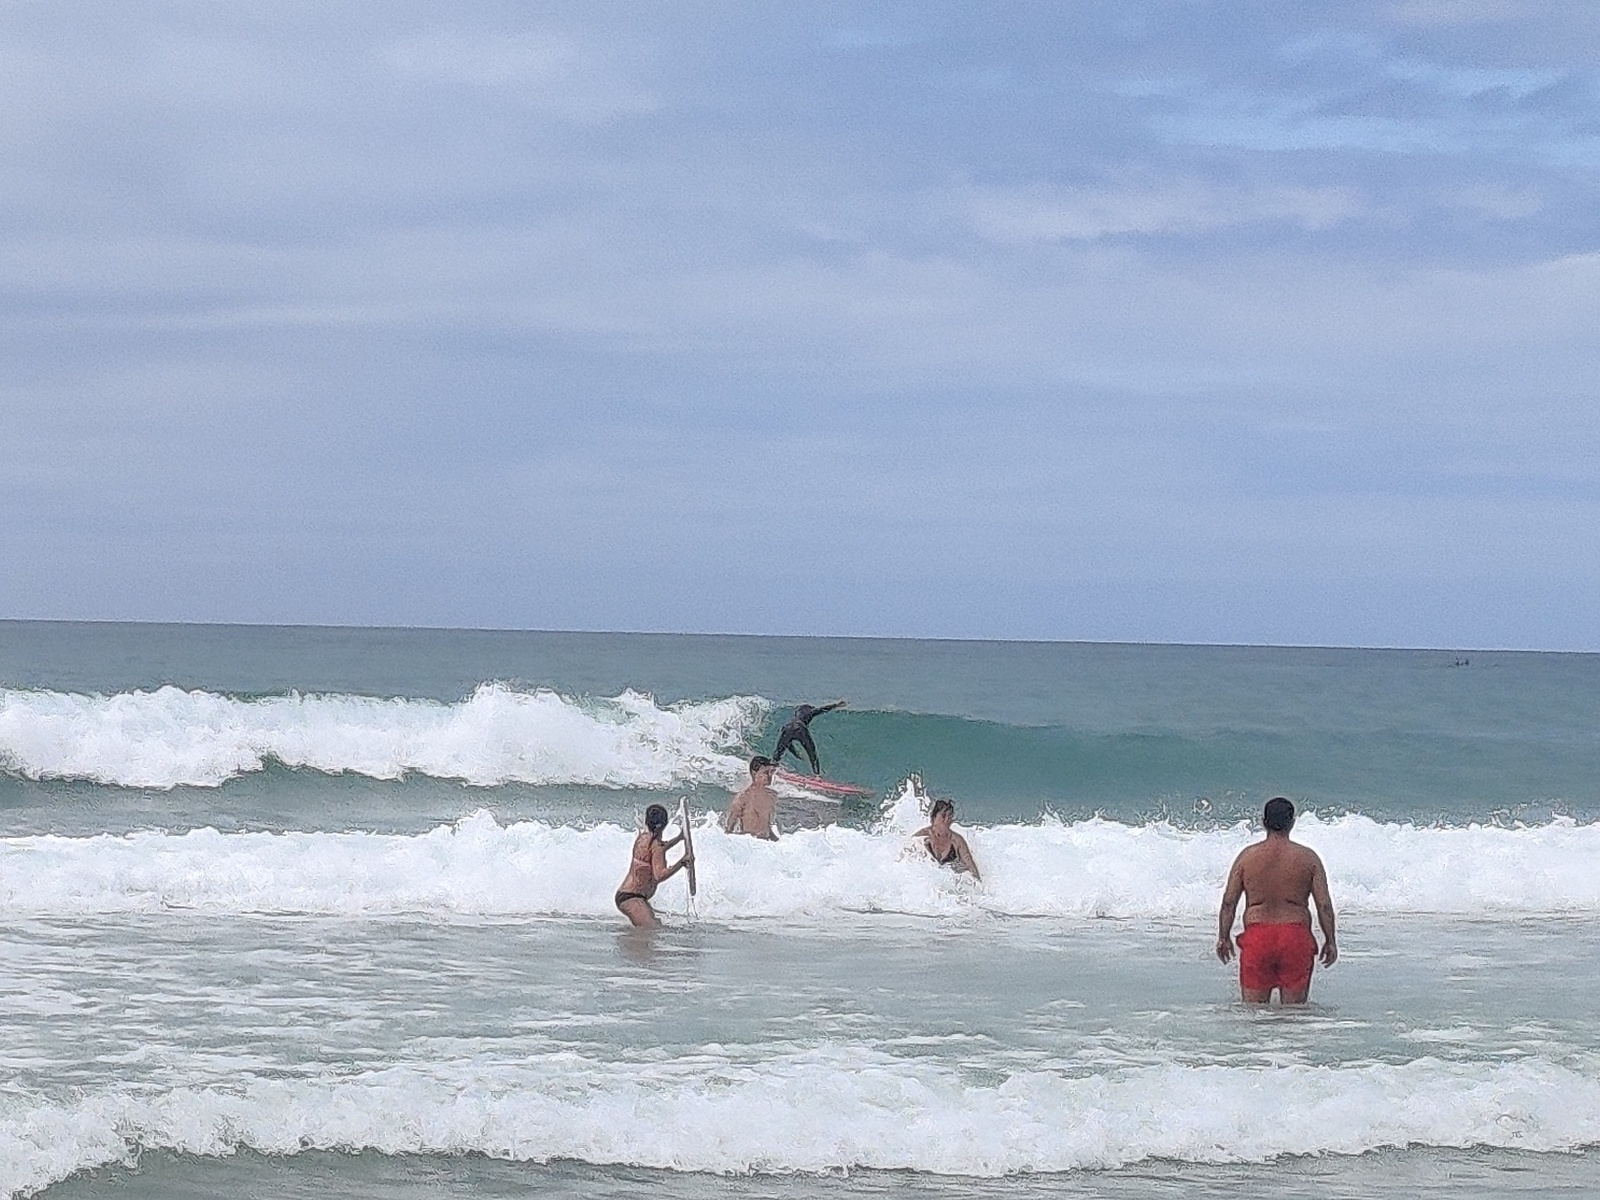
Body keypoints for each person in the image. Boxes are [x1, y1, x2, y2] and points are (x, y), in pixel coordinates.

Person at [1216, 797, 1337, 1004]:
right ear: (1292, 822)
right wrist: (1330, 940)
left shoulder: (1247, 857)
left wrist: (1223, 937)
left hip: (1258, 937)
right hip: (1295, 937)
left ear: (1264, 821)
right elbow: (1324, 905)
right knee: (1294, 1016)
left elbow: (1229, 902)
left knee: (1254, 1014)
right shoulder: (1308, 859)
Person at [615, 803, 694, 927]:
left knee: (651, 929)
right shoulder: (656, 846)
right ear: (664, 824)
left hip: (626, 895)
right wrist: (682, 862)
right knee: (652, 929)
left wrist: (679, 838)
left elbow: (657, 850)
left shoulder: (643, 838)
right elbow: (659, 875)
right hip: (633, 898)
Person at [772, 699, 847, 775]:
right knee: (812, 754)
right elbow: (821, 710)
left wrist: (795, 753)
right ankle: (817, 775)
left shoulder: (796, 714)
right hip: (800, 729)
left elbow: (788, 744)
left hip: (787, 728)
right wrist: (836, 705)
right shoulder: (809, 711)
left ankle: (772, 767)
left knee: (779, 752)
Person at [914, 797, 981, 880]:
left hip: (948, 886)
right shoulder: (923, 836)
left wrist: (979, 886)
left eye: (949, 816)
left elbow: (970, 865)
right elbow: (906, 857)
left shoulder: (957, 840)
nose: (946, 819)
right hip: (926, 883)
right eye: (943, 816)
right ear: (934, 818)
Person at [725, 755, 781, 840]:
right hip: (751, 843)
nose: (769, 776)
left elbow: (767, 826)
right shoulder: (743, 797)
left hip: (766, 842)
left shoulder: (771, 796)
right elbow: (729, 827)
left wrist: (778, 843)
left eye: (771, 772)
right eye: (765, 772)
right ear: (754, 773)